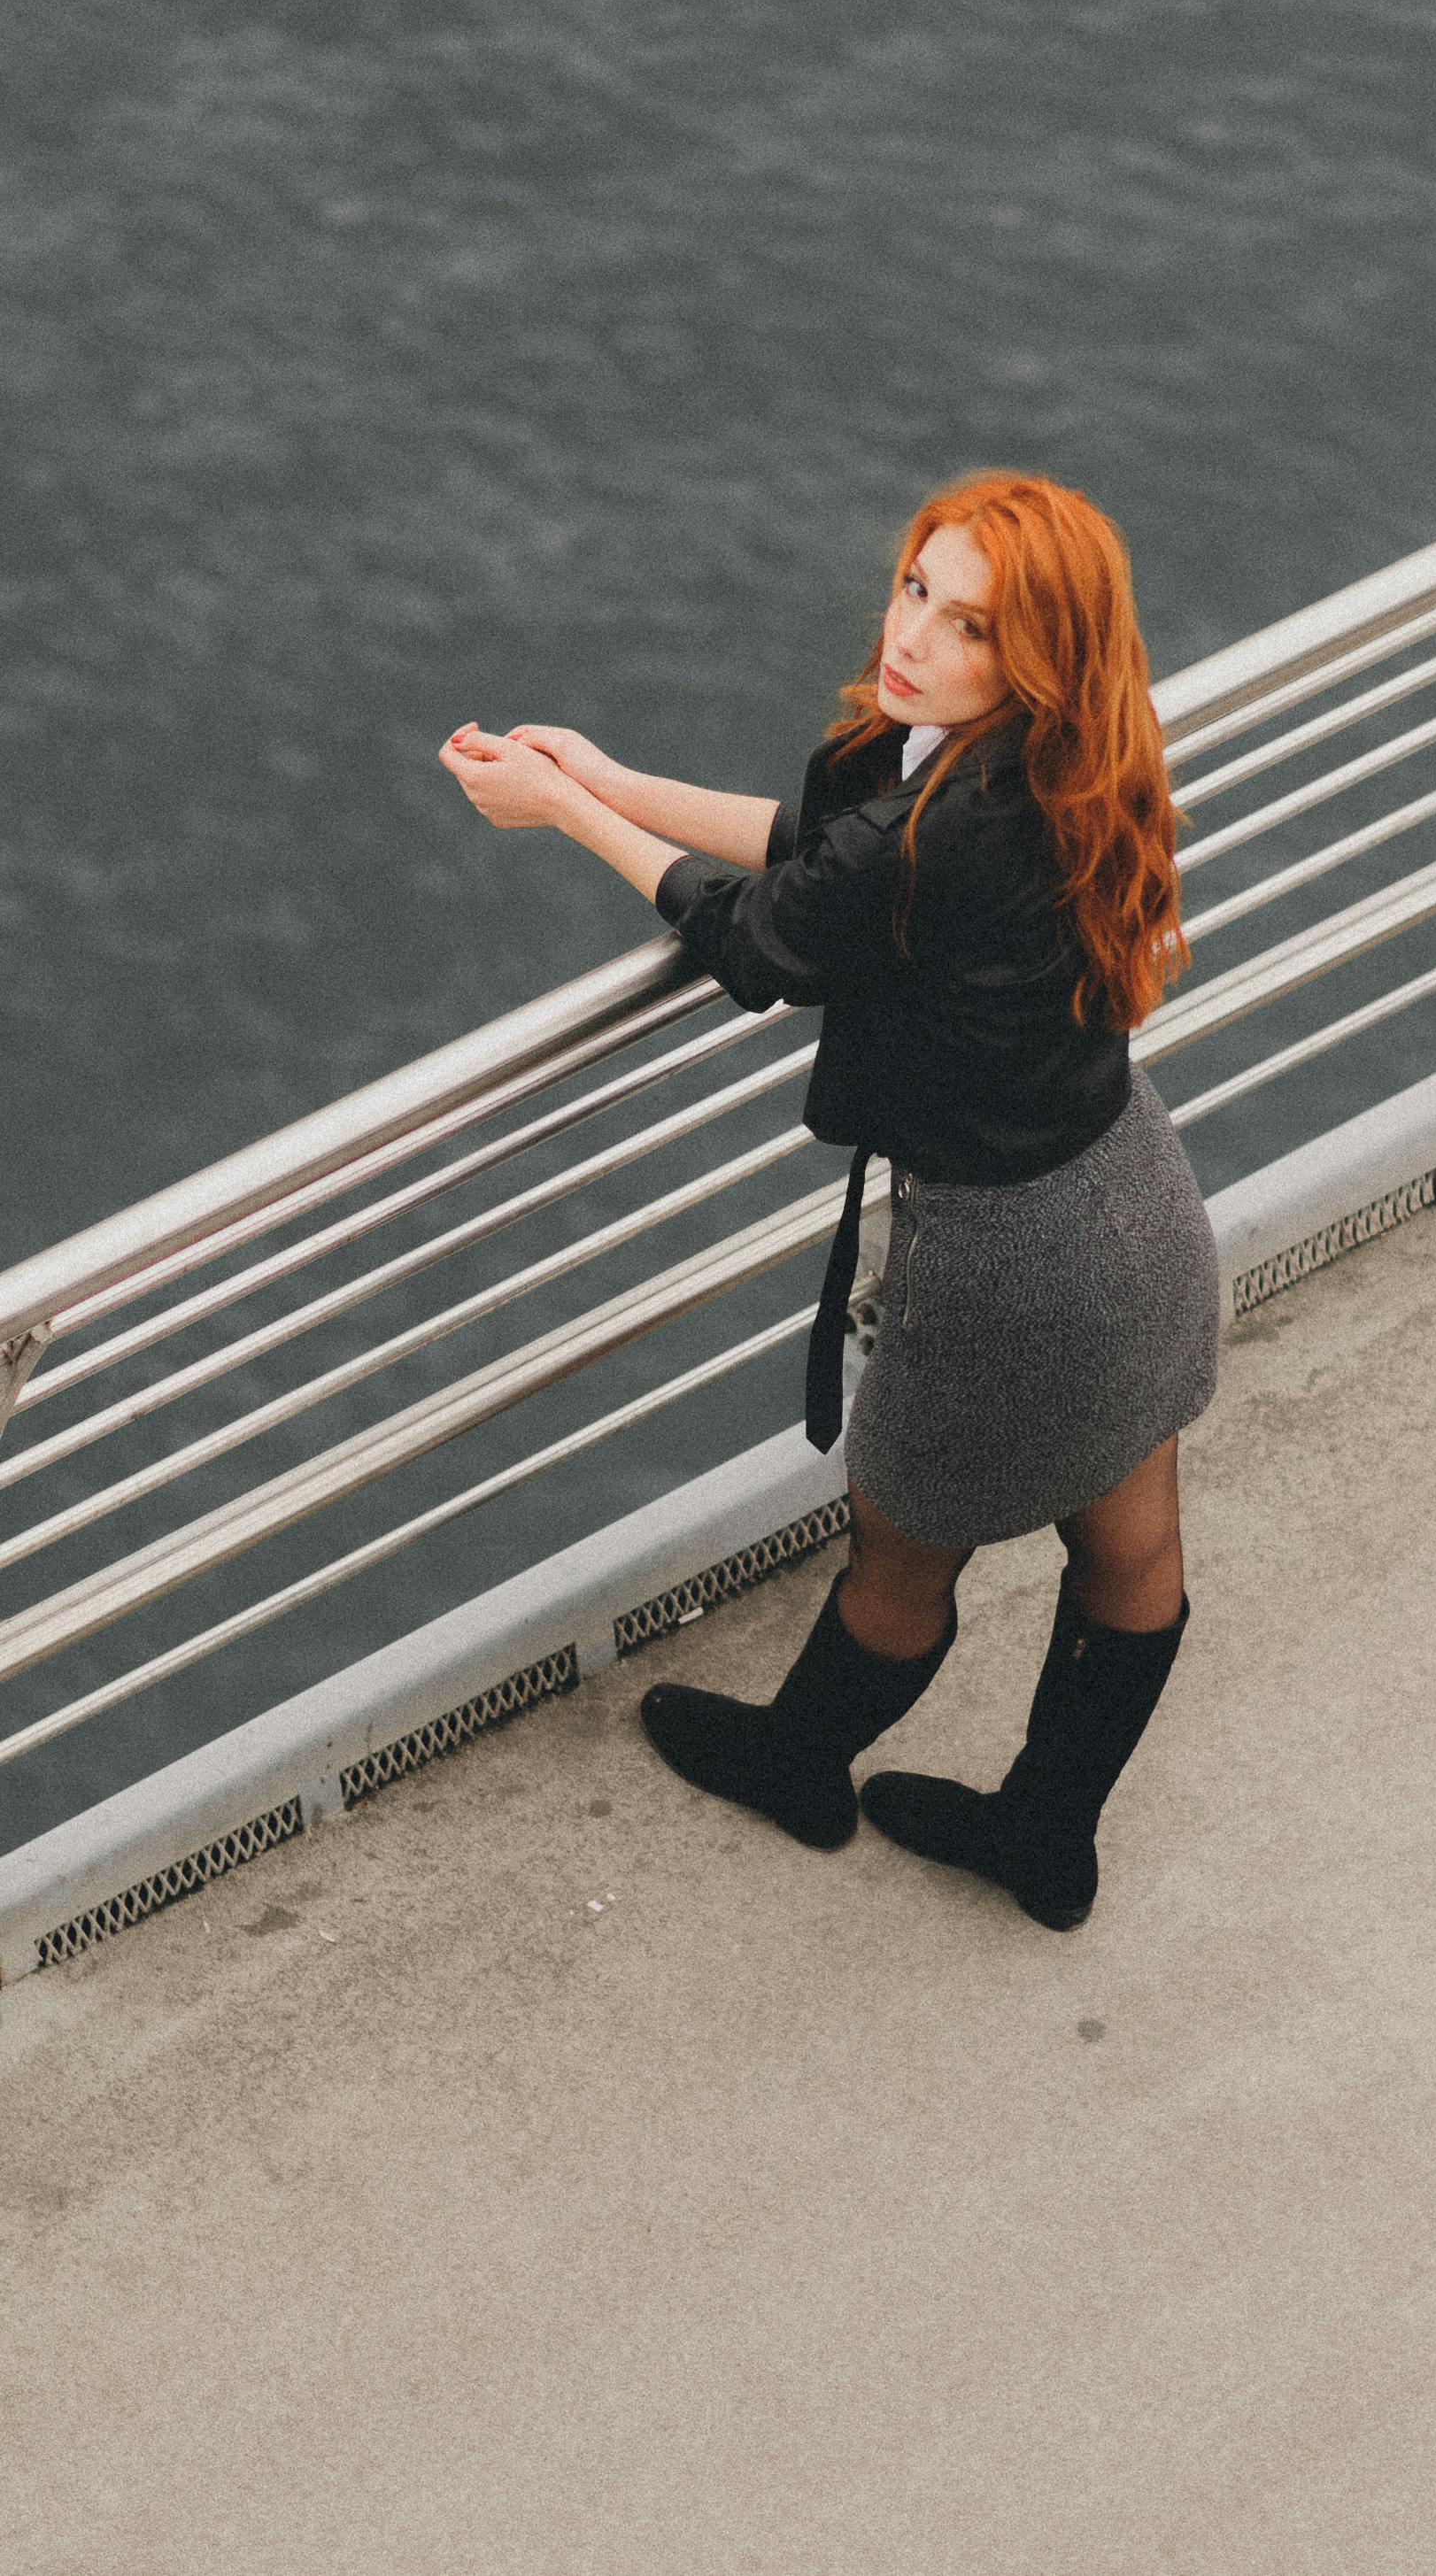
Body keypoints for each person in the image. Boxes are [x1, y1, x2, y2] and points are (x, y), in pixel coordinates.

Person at [439, 470, 1219, 1930]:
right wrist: (602, 775)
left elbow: (766, 940)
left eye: (972, 624)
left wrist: (562, 814)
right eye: (917, 586)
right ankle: (1048, 1839)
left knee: (898, 1546)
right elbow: (827, 855)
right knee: (1131, 1543)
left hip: (1008, 1257)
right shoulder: (1059, 756)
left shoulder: (954, 820)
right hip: (1128, 1194)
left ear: (1033, 656)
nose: (916, 633)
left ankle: (799, 1763)